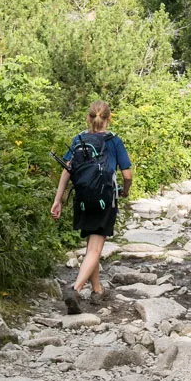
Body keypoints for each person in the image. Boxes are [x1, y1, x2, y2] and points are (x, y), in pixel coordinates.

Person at [51, 100, 132, 314]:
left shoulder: (78, 140)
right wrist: (126, 190)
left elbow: (67, 170)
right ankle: (75, 290)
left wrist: (58, 199)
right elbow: (127, 174)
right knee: (95, 248)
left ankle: (97, 290)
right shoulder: (114, 141)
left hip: (83, 199)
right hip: (105, 198)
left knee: (91, 247)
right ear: (109, 118)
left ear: (88, 118)